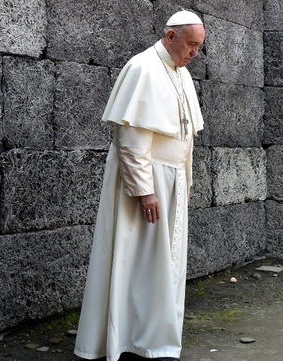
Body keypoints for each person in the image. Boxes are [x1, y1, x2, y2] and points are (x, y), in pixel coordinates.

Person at [73, 10, 206, 361]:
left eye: (198, 47)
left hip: (172, 179)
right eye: (191, 45)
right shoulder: (143, 67)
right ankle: (133, 338)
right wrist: (144, 191)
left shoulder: (182, 75)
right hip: (148, 179)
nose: (194, 53)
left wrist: (186, 180)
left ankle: (158, 338)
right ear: (171, 36)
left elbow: (185, 137)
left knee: (167, 263)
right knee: (138, 259)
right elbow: (130, 138)